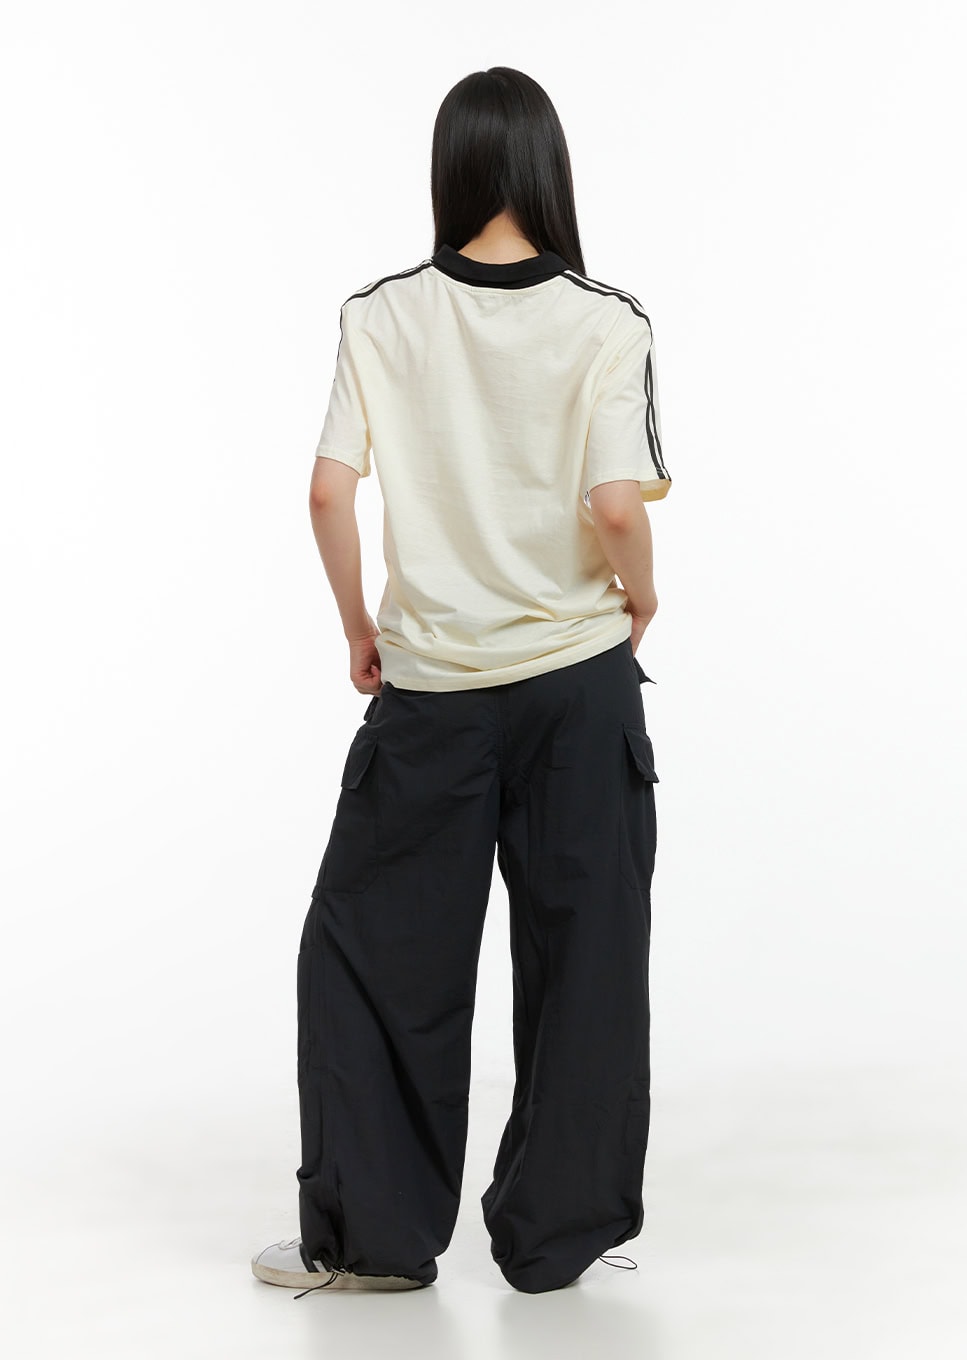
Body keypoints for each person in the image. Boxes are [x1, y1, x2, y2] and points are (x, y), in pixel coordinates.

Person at [251, 65, 671, 1298]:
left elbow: (327, 490)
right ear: (548, 169)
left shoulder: (380, 315)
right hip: (578, 685)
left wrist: (358, 627)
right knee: (587, 957)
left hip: (430, 688)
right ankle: (555, 1241)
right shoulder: (607, 321)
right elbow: (615, 505)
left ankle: (374, 1241)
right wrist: (641, 596)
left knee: (372, 952)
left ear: (448, 169)